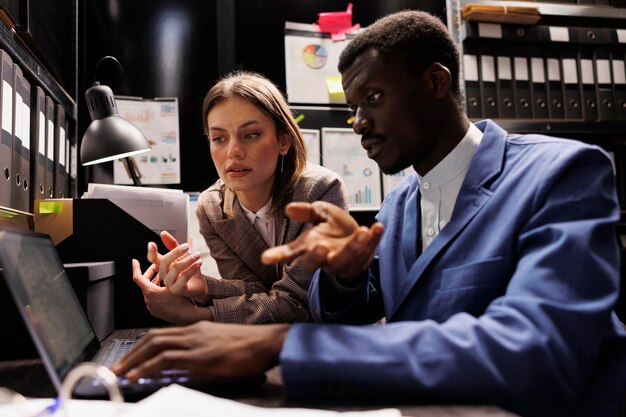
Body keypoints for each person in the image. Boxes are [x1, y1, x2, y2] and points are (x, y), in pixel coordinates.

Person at [113, 11, 626, 417]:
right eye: (353, 105)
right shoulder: (402, 200)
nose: (358, 123)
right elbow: (356, 308)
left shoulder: (562, 173)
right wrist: (345, 277)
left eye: (373, 98)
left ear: (435, 82)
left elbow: (535, 351)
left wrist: (282, 343)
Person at [132, 71, 348, 324]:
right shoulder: (212, 208)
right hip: (268, 342)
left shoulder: (319, 191)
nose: (233, 152)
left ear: (284, 141)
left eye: (251, 134)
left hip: (333, 340)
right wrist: (201, 288)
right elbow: (254, 291)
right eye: (219, 138)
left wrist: (198, 316)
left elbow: (298, 303)